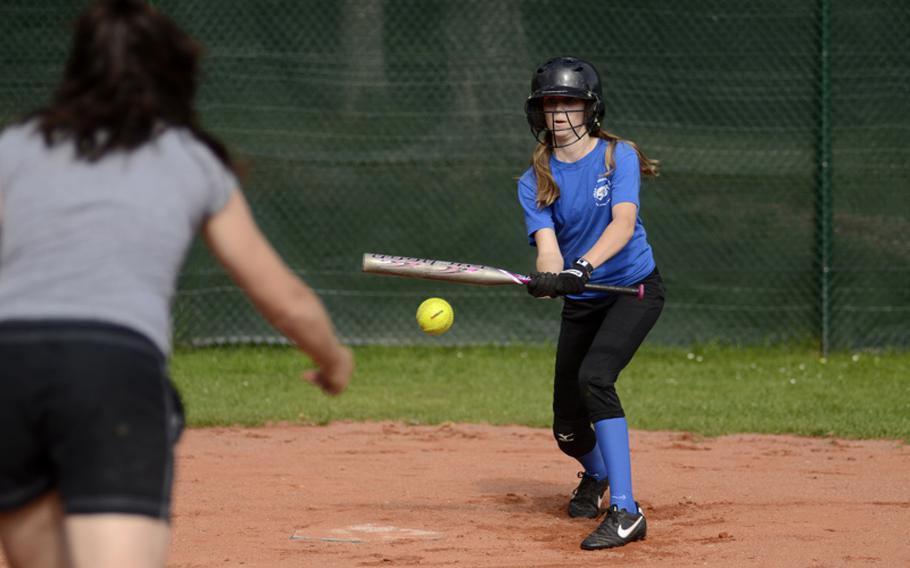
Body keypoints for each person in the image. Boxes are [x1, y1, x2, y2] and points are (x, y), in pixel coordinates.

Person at [0, 1, 354, 567]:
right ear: (173, 75)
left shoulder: (15, 146)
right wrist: (333, 361)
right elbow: (283, 299)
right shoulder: (188, 158)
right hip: (110, 367)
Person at [517, 55, 665, 550]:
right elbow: (549, 249)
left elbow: (623, 225)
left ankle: (627, 511)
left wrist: (583, 267)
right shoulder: (533, 178)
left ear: (590, 109)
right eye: (550, 104)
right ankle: (596, 475)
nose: (558, 114)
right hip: (584, 301)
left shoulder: (616, 156)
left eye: (569, 103)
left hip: (634, 290)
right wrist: (551, 277)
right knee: (567, 429)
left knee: (595, 379)